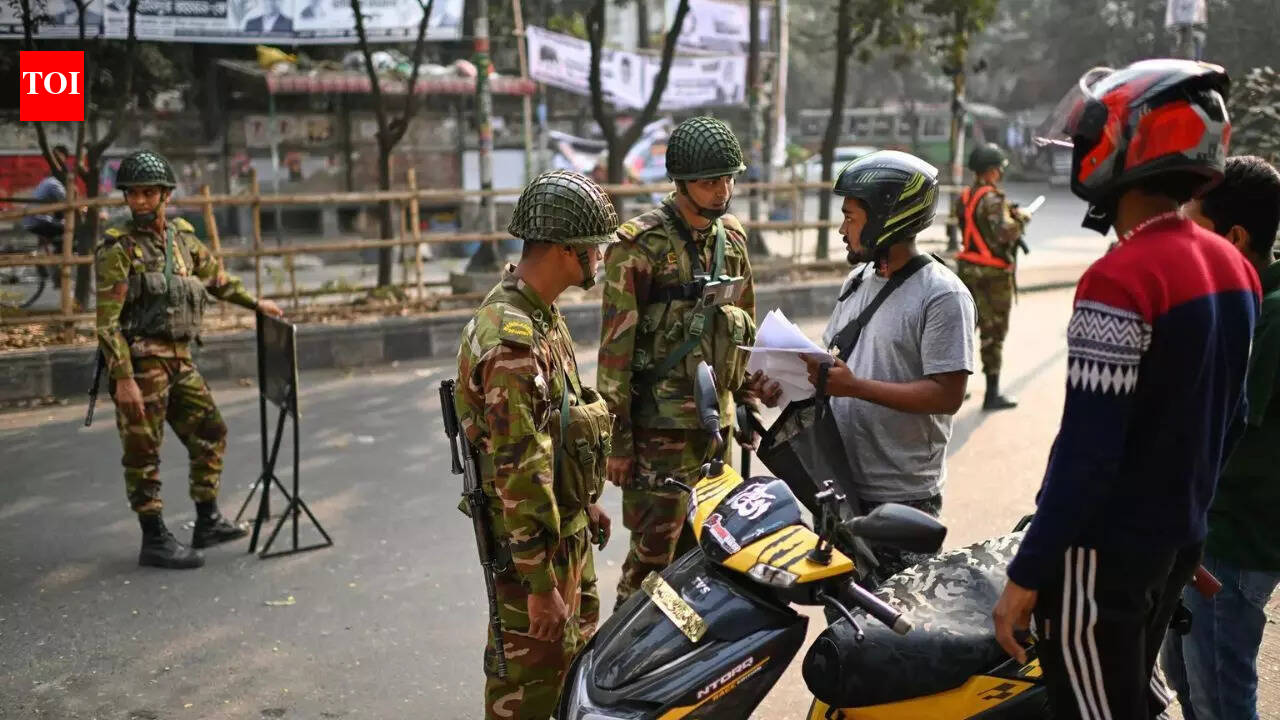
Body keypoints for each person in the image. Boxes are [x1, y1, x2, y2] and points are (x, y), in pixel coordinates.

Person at [991, 60, 1260, 719]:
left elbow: (1088, 456)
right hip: (1172, 547)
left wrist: (1025, 577)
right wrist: (1183, 527)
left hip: (1100, 558)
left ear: (1126, 148)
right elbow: (1231, 418)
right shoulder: (1234, 264)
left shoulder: (1120, 279)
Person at [753, 150, 975, 581]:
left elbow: (948, 395)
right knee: (847, 625)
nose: (841, 229)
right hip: (837, 486)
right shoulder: (855, 283)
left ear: (885, 219)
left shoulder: (943, 296)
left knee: (894, 632)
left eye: (850, 217)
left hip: (901, 499)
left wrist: (856, 388)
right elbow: (830, 370)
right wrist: (782, 383)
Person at [453, 170, 617, 719]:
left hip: (564, 536)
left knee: (573, 683)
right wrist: (540, 584)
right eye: (593, 245)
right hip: (534, 562)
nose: (600, 256)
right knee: (527, 696)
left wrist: (584, 500)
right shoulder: (511, 342)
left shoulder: (542, 317)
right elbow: (518, 471)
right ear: (565, 249)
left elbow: (559, 433)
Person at [96, 150, 284, 569]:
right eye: (133, 194)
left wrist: (257, 304)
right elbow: (107, 324)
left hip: (180, 360)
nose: (140, 202)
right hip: (142, 364)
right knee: (144, 451)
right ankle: (154, 538)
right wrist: (123, 379)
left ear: (165, 195)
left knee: (211, 430)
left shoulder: (181, 239)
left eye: (148, 193)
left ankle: (207, 519)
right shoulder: (118, 247)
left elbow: (217, 279)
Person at [598, 115, 758, 608]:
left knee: (710, 558)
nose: (721, 190)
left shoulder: (731, 239)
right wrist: (618, 443)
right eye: (710, 181)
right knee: (651, 563)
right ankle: (622, 672)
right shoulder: (638, 246)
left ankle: (687, 670)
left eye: (728, 178)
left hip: (715, 430)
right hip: (657, 435)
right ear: (682, 183)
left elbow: (746, 328)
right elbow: (615, 353)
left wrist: (746, 400)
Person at [1160, 155, 1280, 720]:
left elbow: (1212, 429)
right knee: (1184, 677)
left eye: (1194, 229)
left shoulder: (1266, 314)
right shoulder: (1235, 302)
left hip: (1231, 545)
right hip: (1201, 536)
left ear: (1235, 236)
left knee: (1220, 701)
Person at [952, 142, 1025, 410]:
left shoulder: (964, 197)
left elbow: (969, 227)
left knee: (964, 331)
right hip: (992, 275)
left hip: (968, 271)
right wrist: (1020, 221)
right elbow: (1004, 233)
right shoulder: (994, 199)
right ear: (993, 171)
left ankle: (953, 389)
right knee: (993, 333)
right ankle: (992, 395)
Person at [22, 145, 71, 248]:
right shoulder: (54, 183)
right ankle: (58, 252)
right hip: (37, 220)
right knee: (68, 226)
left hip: (32, 219)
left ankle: (45, 252)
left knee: (57, 222)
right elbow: (67, 201)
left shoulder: (48, 181)